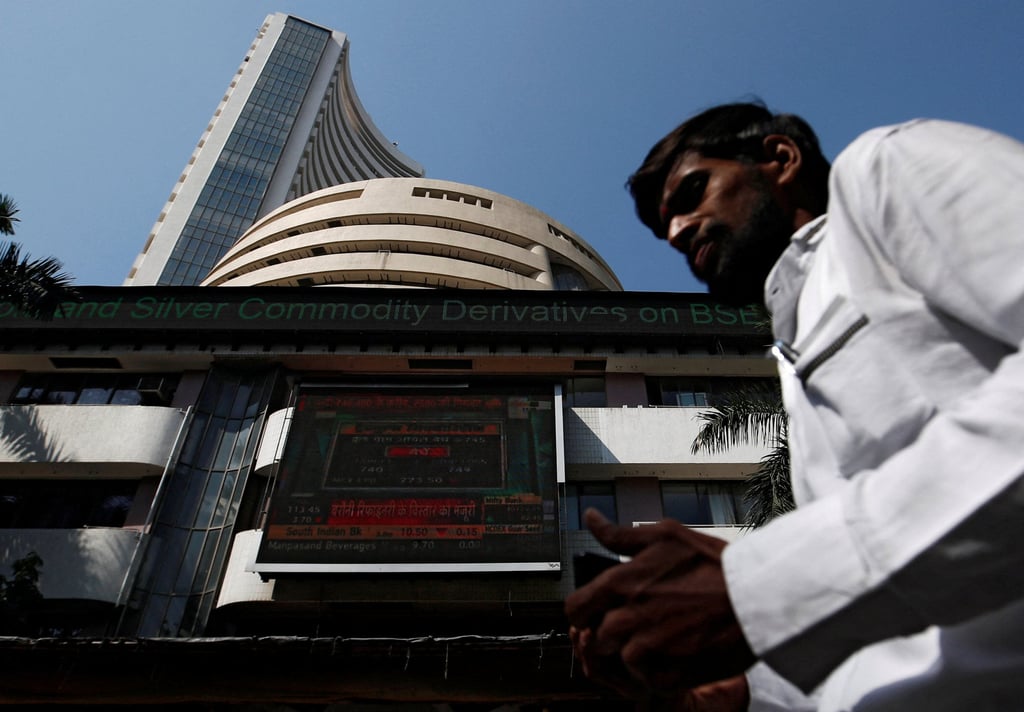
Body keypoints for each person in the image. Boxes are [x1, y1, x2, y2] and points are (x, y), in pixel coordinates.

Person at [564, 102, 1024, 711]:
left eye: (692, 192)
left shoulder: (885, 168)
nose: (677, 231)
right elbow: (892, 635)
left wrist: (756, 591)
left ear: (779, 160)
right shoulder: (789, 356)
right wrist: (741, 694)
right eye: (664, 226)